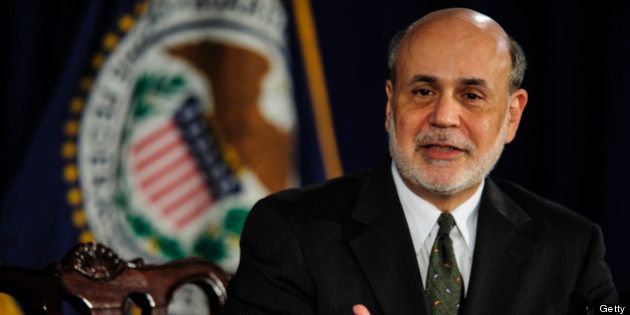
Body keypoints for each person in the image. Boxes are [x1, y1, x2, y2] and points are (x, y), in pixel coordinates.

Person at [224, 8, 618, 315]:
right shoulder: (290, 233)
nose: (444, 117)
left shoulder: (570, 245)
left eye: (472, 95)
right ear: (390, 104)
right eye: (424, 90)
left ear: (511, 115)